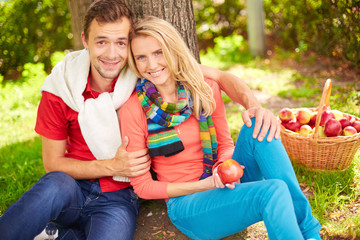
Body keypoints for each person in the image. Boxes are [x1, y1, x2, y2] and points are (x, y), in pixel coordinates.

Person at [0, 0, 281, 239]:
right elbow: (53, 164)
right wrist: (111, 165)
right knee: (53, 186)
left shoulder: (144, 69)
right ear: (85, 40)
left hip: (119, 197)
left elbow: (218, 77)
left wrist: (254, 105)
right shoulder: (61, 87)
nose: (112, 54)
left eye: (120, 42)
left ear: (129, 44)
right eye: (101, 42)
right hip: (71, 187)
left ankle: (59, 234)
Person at [120, 15, 322, 240]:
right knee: (273, 191)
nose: (152, 64)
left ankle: (310, 234)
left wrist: (222, 166)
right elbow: (143, 187)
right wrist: (205, 185)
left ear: (172, 49)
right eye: (141, 57)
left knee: (258, 123)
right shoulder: (134, 109)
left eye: (158, 52)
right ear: (134, 62)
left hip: (222, 181)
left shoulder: (202, 87)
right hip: (189, 205)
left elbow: (225, 143)